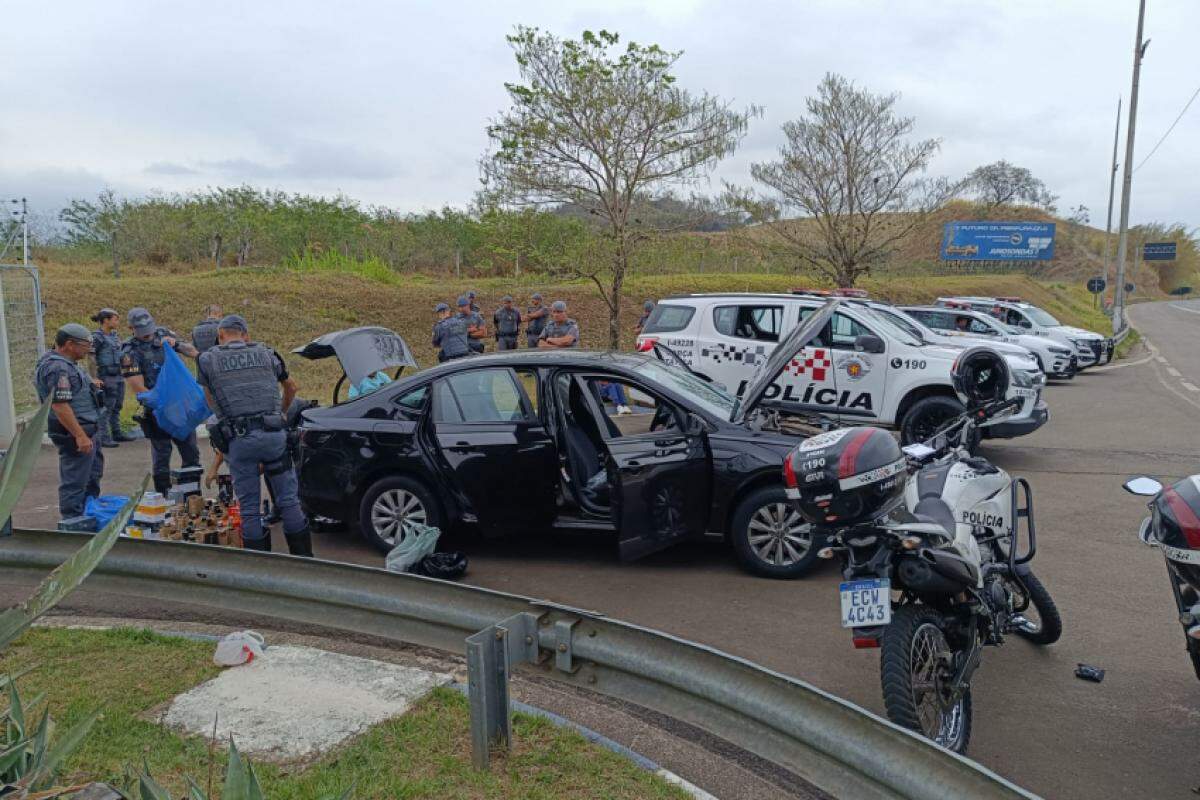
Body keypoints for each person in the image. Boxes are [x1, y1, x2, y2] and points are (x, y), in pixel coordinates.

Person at [196, 314, 312, 555]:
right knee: (289, 501)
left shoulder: (207, 360)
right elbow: (292, 386)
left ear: (220, 336)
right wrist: (280, 413)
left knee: (249, 508)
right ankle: (304, 560)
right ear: (245, 335)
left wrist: (226, 419)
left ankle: (259, 565)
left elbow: (210, 400)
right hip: (274, 437)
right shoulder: (268, 353)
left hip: (239, 441)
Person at [121, 307, 201, 496]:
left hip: (180, 407)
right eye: (142, 332)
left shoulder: (164, 333)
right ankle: (164, 497)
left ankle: (191, 497)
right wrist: (162, 406)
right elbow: (138, 387)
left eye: (149, 329)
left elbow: (194, 352)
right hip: (157, 410)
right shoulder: (129, 351)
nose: (148, 334)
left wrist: (177, 344)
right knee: (162, 455)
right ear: (131, 328)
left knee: (191, 452)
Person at [34, 323, 105, 519]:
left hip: (86, 430)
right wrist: (80, 436)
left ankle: (88, 515)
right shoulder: (57, 368)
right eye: (85, 344)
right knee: (75, 481)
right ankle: (73, 523)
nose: (88, 348)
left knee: (91, 476)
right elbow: (60, 406)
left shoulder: (66, 363)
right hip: (75, 433)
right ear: (69, 344)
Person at [90, 308, 133, 447]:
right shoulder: (97, 337)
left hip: (118, 374)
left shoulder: (114, 336)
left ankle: (116, 432)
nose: (117, 322)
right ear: (106, 320)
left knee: (117, 405)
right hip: (106, 375)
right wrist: (94, 378)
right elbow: (91, 357)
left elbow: (118, 353)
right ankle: (103, 437)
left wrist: (124, 359)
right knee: (106, 407)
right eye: (115, 319)